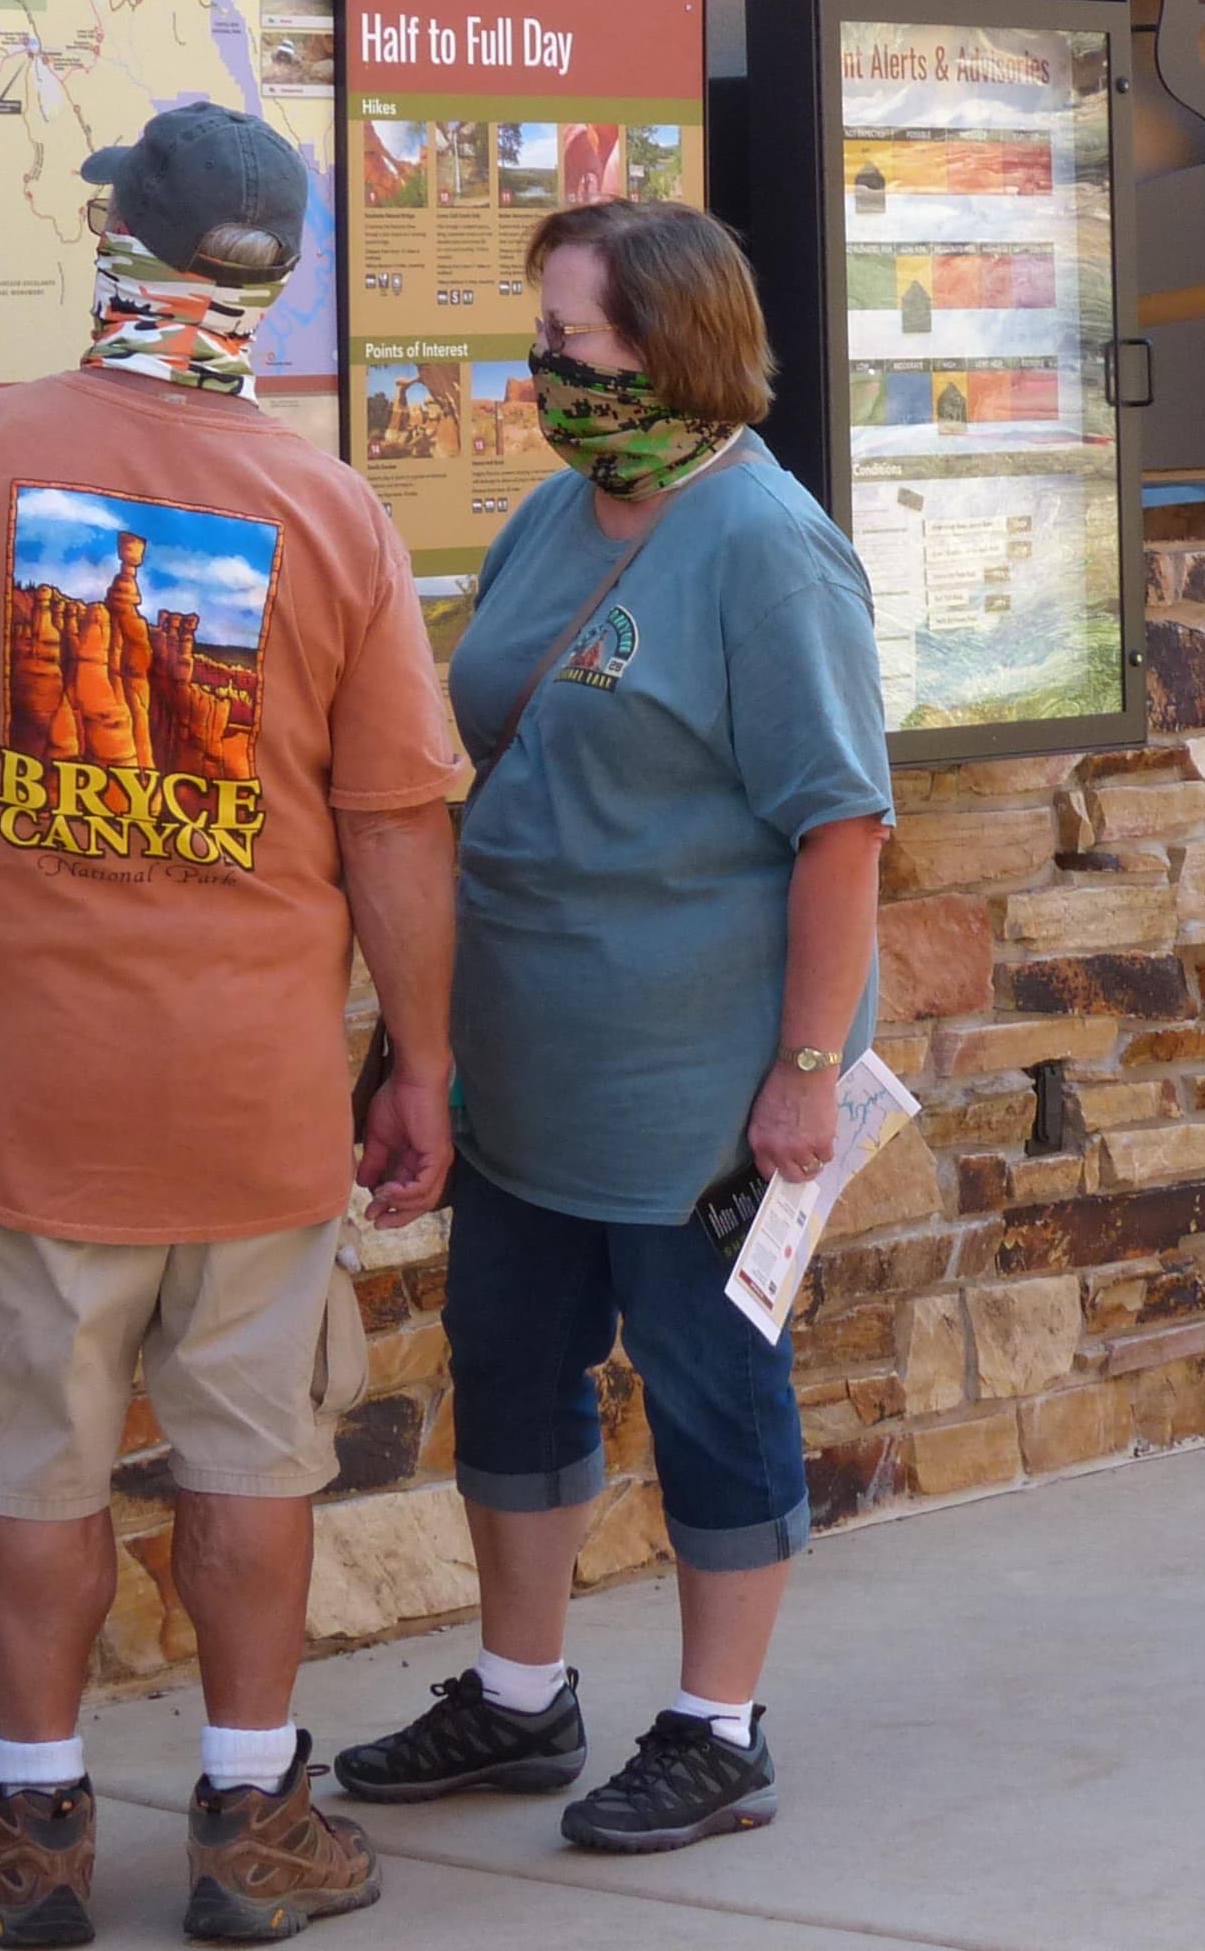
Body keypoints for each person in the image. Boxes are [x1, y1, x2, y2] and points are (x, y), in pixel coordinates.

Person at [0, 101, 467, 1948]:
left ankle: (33, 1833)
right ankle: (254, 1817)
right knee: (256, 1462)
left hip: (27, 1089)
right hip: (253, 1096)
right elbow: (399, 821)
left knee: (32, 1460)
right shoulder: (328, 505)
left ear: (114, 244)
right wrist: (417, 1059)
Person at [332, 200, 890, 1857]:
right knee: (510, 1364)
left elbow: (840, 827)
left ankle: (720, 1729)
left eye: (567, 339)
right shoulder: (557, 523)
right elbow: (477, 757)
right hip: (527, 1065)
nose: (541, 367)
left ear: (664, 345)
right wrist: (407, 1028)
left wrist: (801, 1078)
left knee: (714, 1382)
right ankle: (520, 1699)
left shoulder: (767, 549)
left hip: (697, 1086)